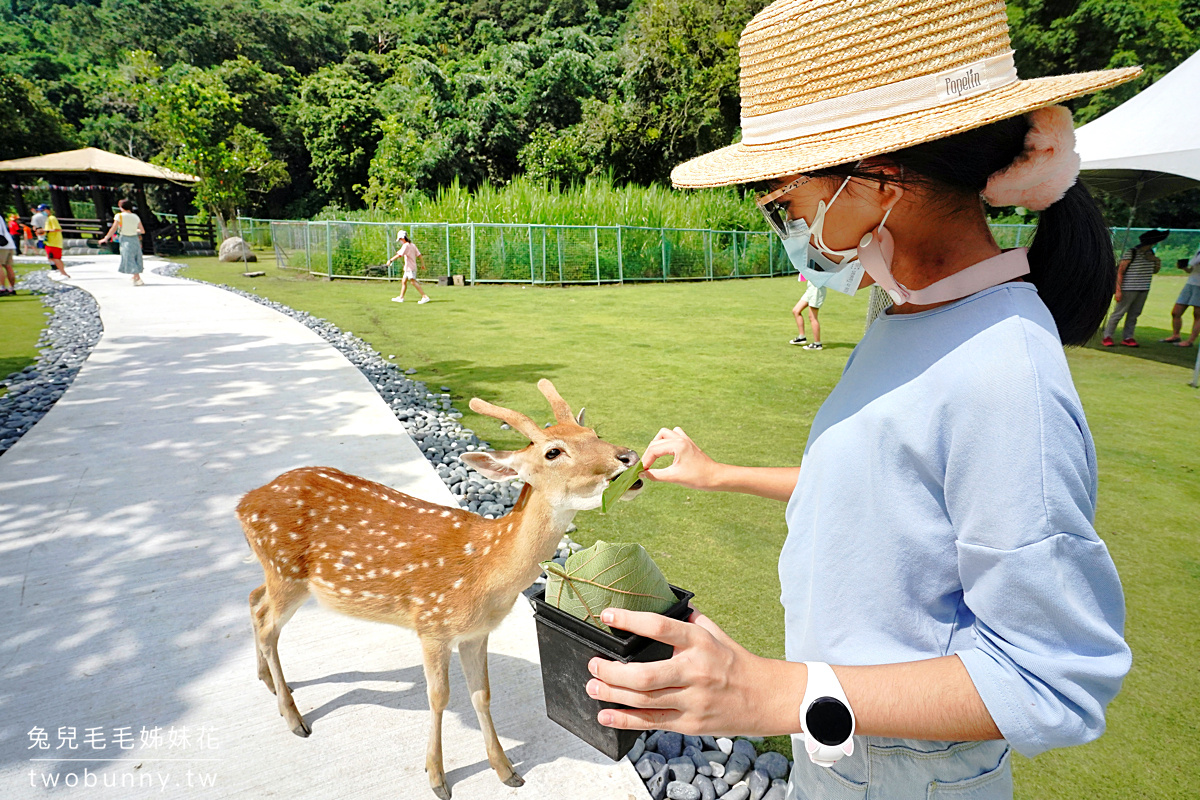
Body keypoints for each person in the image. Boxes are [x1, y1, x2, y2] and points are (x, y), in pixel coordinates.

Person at [583, 1, 1136, 797]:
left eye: (784, 194)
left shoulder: (1002, 366)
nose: (784, 217)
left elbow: (1051, 676)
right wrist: (719, 473)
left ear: (878, 181)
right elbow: (890, 506)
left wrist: (776, 692)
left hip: (910, 775)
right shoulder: (905, 313)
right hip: (846, 755)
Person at [1101, 228, 1167, 347]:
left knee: (1134, 314)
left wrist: (1157, 261)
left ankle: (1128, 337)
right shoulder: (1132, 253)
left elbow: (1154, 271)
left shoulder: (1151, 254)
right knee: (1118, 313)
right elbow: (1120, 271)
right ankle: (1107, 336)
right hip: (1128, 288)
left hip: (1143, 288)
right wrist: (1118, 290)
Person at [1160, 243, 1200, 347]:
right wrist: (1184, 267)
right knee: (1176, 312)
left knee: (1197, 314)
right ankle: (1175, 335)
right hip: (1190, 284)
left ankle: (1190, 341)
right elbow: (1192, 269)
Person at [99, 199, 146, 286]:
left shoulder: (119, 216)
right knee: (135, 257)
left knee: (128, 257)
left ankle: (138, 278)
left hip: (125, 239)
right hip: (135, 239)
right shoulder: (135, 216)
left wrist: (106, 238)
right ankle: (135, 276)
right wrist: (133, 230)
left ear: (121, 207)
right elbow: (142, 230)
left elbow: (113, 228)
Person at [387, 230, 431, 304]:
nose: (400, 241)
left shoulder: (406, 245)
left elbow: (399, 255)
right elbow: (419, 255)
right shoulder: (412, 245)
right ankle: (401, 297)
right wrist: (422, 264)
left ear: (402, 238)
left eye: (400, 239)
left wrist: (390, 260)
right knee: (404, 281)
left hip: (410, 268)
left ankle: (425, 297)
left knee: (413, 282)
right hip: (408, 268)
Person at [789, 278, 825, 349]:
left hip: (817, 289)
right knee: (796, 311)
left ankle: (817, 344)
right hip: (810, 288)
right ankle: (802, 337)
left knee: (812, 317)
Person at [37, 205, 69, 279]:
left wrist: (44, 230)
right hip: (49, 242)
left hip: (54, 242)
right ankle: (60, 271)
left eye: (42, 211)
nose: (41, 213)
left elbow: (57, 229)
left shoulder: (52, 218)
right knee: (52, 257)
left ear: (47, 210)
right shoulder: (48, 219)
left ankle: (63, 273)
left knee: (56, 258)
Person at [0, 221, 17, 296]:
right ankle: (11, 288)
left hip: (1, 245)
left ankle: (2, 288)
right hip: (9, 243)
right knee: (8, 266)